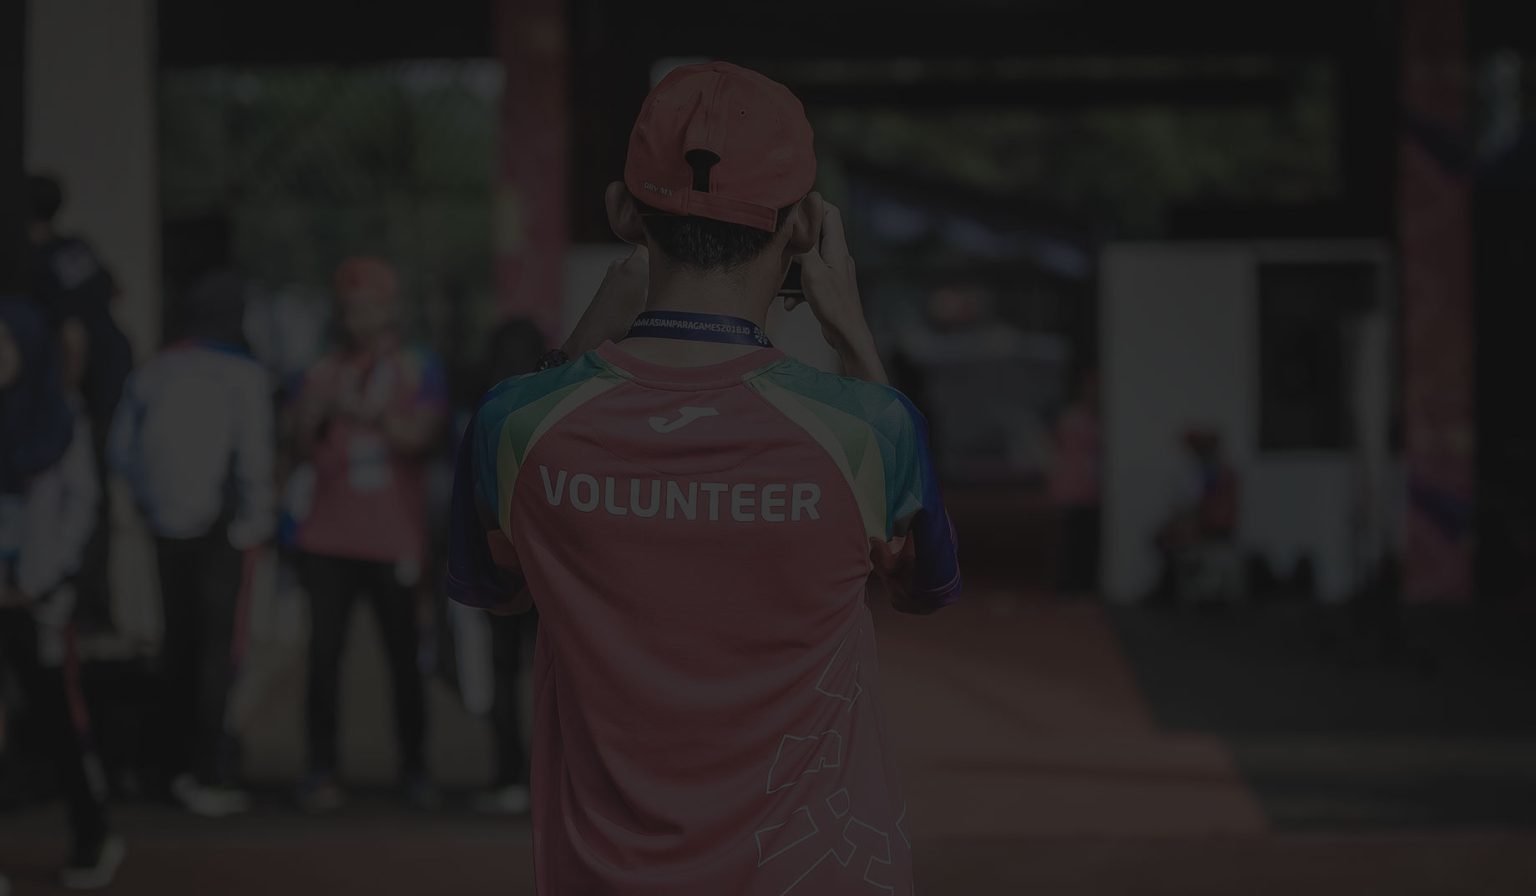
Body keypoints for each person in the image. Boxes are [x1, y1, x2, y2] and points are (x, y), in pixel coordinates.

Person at [447, 62, 961, 895]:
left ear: (624, 213)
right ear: (805, 227)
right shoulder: (867, 429)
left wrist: (581, 342)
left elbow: (500, 594)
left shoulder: (518, 424)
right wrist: (852, 334)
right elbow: (922, 587)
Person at [108, 270, 275, 817]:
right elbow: (255, 456)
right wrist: (255, 524)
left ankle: (169, 769)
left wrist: (148, 507)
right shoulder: (244, 374)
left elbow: (121, 451)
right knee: (215, 653)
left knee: (176, 645)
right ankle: (205, 771)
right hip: (221, 533)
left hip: (165, 531)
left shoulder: (154, 371)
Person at [286, 257, 447, 811]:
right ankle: (320, 768)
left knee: (404, 656)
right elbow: (296, 444)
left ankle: (415, 769)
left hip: (393, 536)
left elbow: (421, 437)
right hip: (326, 536)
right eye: (348, 307)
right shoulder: (320, 370)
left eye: (368, 307)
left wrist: (365, 412)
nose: (356, 317)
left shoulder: (416, 368)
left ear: (390, 309)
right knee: (323, 656)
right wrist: (311, 417)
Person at [0, 297, 123, 889]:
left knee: (56, 717)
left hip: (39, 598)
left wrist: (41, 580)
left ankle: (93, 834)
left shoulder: (60, 417)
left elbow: (81, 507)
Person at [26, 174, 134, 635]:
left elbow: (73, 336)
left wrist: (66, 398)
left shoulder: (39, 261)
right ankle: (92, 604)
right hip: (113, 379)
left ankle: (83, 604)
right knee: (96, 497)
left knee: (79, 496)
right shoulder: (75, 248)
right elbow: (114, 290)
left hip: (88, 390)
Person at [1149, 427, 1241, 606]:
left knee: (1173, 539)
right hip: (1202, 524)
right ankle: (1172, 586)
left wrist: (1187, 523)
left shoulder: (1217, 471)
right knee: (1163, 538)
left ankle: (1177, 588)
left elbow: (1208, 507)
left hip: (1214, 528)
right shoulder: (1203, 469)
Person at [1048, 370, 1101, 596]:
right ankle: (1066, 586)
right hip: (1071, 489)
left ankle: (1083, 585)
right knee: (1069, 539)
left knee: (1086, 540)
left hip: (1091, 490)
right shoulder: (1071, 418)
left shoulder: (1100, 419)